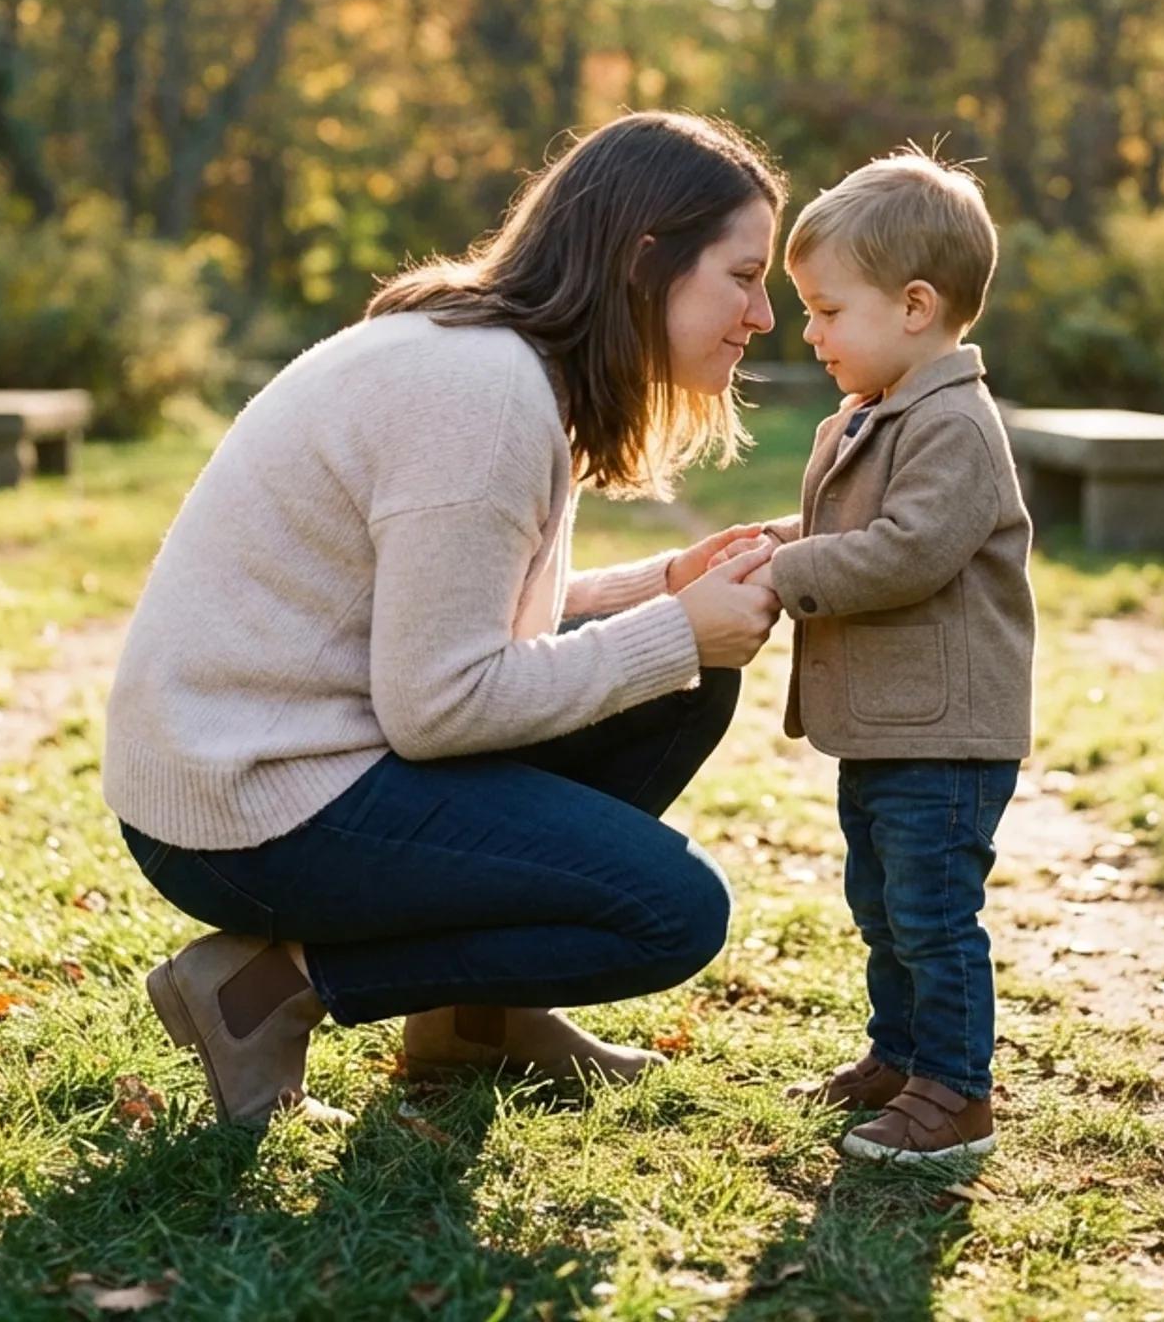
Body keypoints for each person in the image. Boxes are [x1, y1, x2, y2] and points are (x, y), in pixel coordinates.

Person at [102, 113, 786, 1124]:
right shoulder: (482, 396)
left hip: (296, 755)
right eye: (743, 274)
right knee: (670, 913)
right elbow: (439, 701)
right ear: (647, 262)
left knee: (682, 689)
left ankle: (479, 1021)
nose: (762, 315)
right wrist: (677, 631)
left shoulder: (497, 368)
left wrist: (666, 588)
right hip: (246, 805)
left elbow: (459, 612)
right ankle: (267, 991)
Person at [752, 149, 1035, 1166]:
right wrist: (776, 547)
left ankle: (956, 1093)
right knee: (879, 904)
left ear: (915, 306)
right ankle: (901, 1054)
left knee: (930, 912)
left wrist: (793, 574)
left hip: (946, 734)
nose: (810, 332)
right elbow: (845, 530)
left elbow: (909, 552)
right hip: (886, 723)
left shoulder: (954, 423)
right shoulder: (878, 412)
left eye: (828, 311)